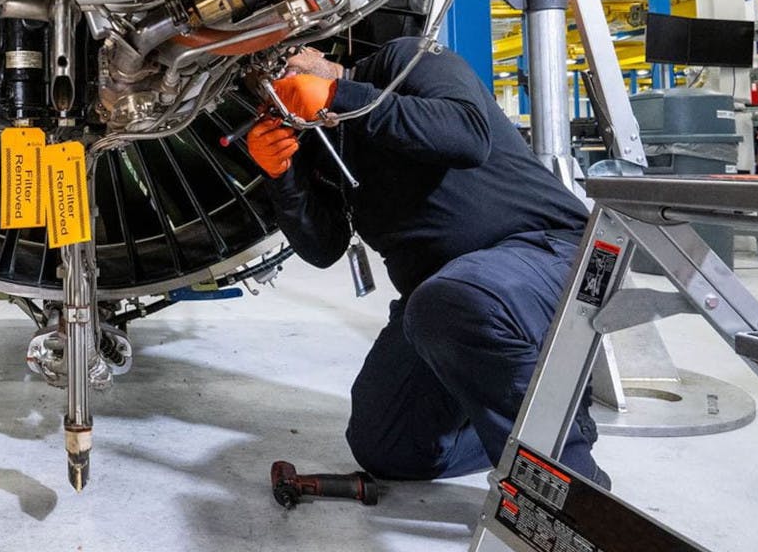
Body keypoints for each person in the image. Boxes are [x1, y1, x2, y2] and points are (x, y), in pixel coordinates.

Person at [245, 38, 606, 485]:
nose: (279, 79)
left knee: (457, 301)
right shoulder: (318, 147)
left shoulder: (406, 60)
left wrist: (341, 99)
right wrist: (281, 177)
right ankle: (541, 417)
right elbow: (324, 248)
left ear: (316, 50)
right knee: (388, 447)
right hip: (443, 300)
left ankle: (567, 487)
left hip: (554, 254)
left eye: (285, 62)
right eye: (264, 83)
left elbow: (466, 135)